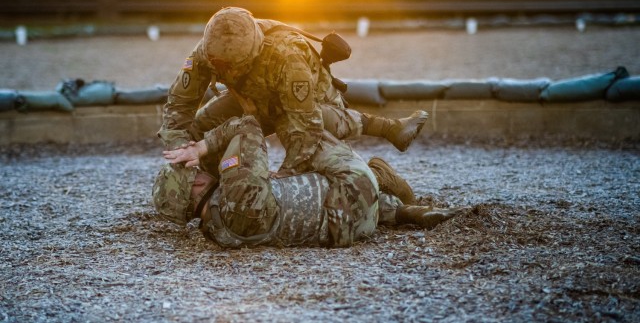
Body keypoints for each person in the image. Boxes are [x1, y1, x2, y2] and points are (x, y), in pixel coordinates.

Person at [158, 6, 429, 176]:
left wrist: (286, 177)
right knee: (204, 126)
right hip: (255, 98)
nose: (230, 73)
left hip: (308, 104)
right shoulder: (207, 51)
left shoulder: (286, 56)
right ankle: (218, 188)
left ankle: (382, 174)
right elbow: (179, 104)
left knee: (319, 161)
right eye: (223, 68)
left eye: (236, 67)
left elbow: (306, 124)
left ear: (254, 53)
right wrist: (179, 151)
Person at [154, 115, 467, 248]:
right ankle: (381, 175)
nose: (201, 169)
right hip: (354, 186)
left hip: (349, 231)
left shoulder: (217, 231)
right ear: (195, 186)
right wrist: (201, 147)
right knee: (304, 128)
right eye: (195, 172)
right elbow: (247, 127)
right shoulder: (236, 187)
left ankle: (403, 213)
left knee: (307, 194)